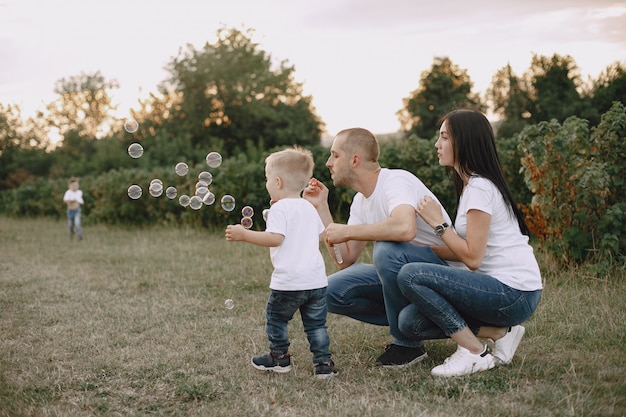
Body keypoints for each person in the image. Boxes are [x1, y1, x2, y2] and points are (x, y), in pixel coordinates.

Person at [394, 108, 543, 377]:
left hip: (514, 292)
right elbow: (465, 250)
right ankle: (500, 333)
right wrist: (422, 251)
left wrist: (437, 223)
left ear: (463, 142)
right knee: (409, 323)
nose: (437, 145)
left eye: (444, 138)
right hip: (498, 291)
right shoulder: (472, 186)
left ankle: (474, 352)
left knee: (411, 276)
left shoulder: (480, 188)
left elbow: (472, 258)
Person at [304, 127, 465, 368]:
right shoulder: (360, 201)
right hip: (407, 277)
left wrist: (347, 231)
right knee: (328, 291)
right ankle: (407, 321)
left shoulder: (395, 181)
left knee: (387, 250)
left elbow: (404, 228)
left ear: (354, 160)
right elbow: (344, 259)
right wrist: (322, 209)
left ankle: (406, 344)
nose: (328, 163)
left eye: (334, 155)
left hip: (444, 277)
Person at [225, 146, 338, 379]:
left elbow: (275, 238)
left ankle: (279, 358)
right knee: (316, 326)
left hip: (288, 283)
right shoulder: (308, 206)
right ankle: (324, 364)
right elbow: (321, 235)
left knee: (276, 318)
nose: (266, 183)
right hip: (316, 282)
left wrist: (244, 234)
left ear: (277, 182)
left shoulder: (279, 208)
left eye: (267, 178)